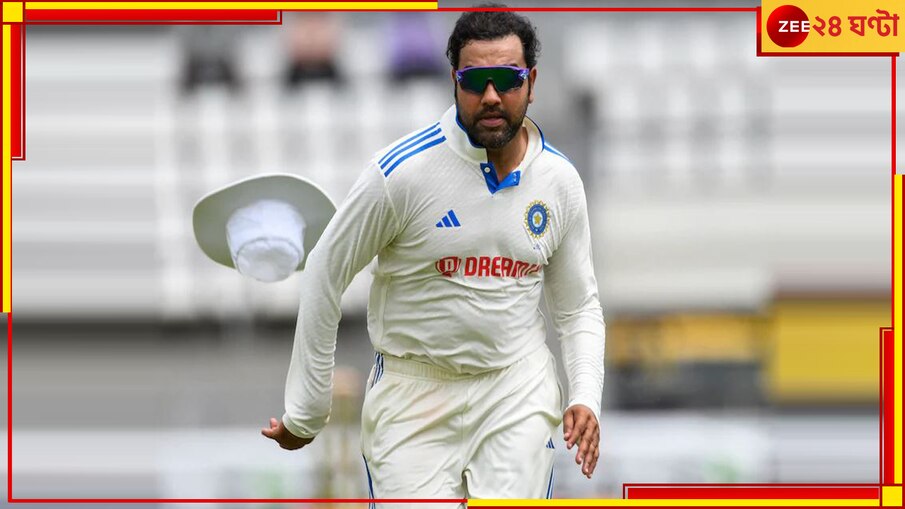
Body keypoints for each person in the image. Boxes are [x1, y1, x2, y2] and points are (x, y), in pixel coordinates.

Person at [262, 6, 606, 502]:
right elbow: (324, 271)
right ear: (454, 82)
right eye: (476, 81)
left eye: (507, 79)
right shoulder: (401, 174)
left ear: (531, 82)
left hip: (516, 388)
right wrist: (307, 412)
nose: (492, 96)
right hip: (413, 395)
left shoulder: (559, 181)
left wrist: (585, 395)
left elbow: (578, 308)